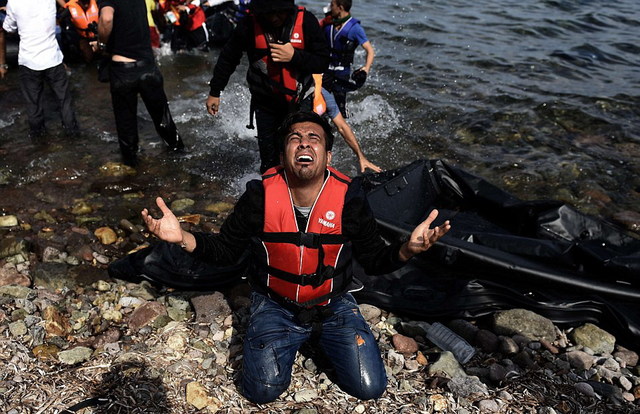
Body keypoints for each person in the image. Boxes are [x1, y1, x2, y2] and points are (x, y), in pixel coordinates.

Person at [141, 111, 451, 403]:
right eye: (295, 137)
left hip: (334, 303)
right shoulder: (258, 197)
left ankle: (323, 335)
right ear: (282, 156)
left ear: (328, 157)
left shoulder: (351, 199)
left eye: (314, 138)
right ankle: (295, 334)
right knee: (261, 392)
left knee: (369, 388)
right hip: (276, 303)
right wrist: (182, 236)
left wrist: (407, 249)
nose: (304, 142)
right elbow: (225, 250)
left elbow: (374, 260)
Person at [206, 0, 330, 173]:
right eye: (269, 13)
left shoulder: (307, 21)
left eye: (280, 12)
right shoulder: (248, 25)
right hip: (265, 102)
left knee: (301, 153)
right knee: (269, 158)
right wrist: (215, 91)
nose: (274, 18)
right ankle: (270, 191)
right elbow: (228, 58)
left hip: (300, 101)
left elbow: (322, 62)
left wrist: (294, 56)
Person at [97, 0, 185, 167]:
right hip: (148, 66)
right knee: (164, 120)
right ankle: (180, 159)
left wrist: (102, 43)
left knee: (126, 127)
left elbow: (107, 18)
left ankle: (132, 170)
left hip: (123, 69)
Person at [2, 0, 79, 138]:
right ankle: (73, 135)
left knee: (33, 104)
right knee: (64, 101)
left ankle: (38, 140)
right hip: (52, 58)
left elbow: (8, 27)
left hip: (29, 60)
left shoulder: (14, 2)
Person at [320, 0, 374, 118]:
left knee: (340, 108)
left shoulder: (355, 28)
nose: (330, 8)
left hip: (342, 73)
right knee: (320, 104)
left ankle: (344, 126)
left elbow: (370, 50)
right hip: (326, 70)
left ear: (340, 7)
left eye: (332, 5)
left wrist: (366, 68)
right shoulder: (328, 25)